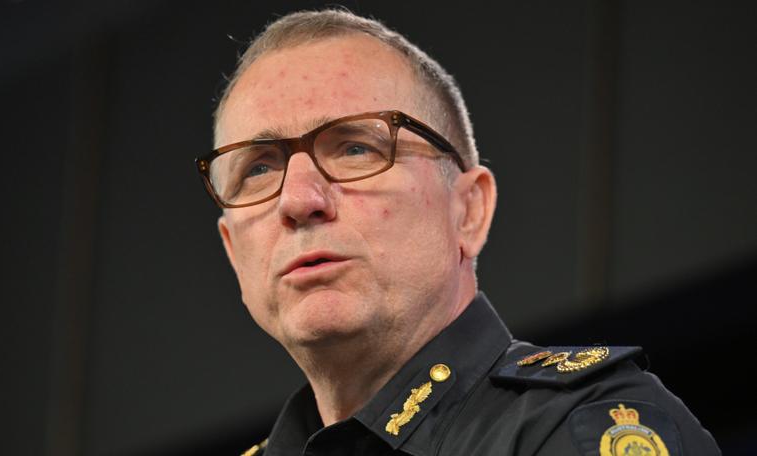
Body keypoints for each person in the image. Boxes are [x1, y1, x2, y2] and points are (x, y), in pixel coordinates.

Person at [195, 8, 720, 456]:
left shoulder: (578, 427)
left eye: (356, 148)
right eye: (259, 169)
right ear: (233, 252)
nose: (298, 200)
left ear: (468, 210)